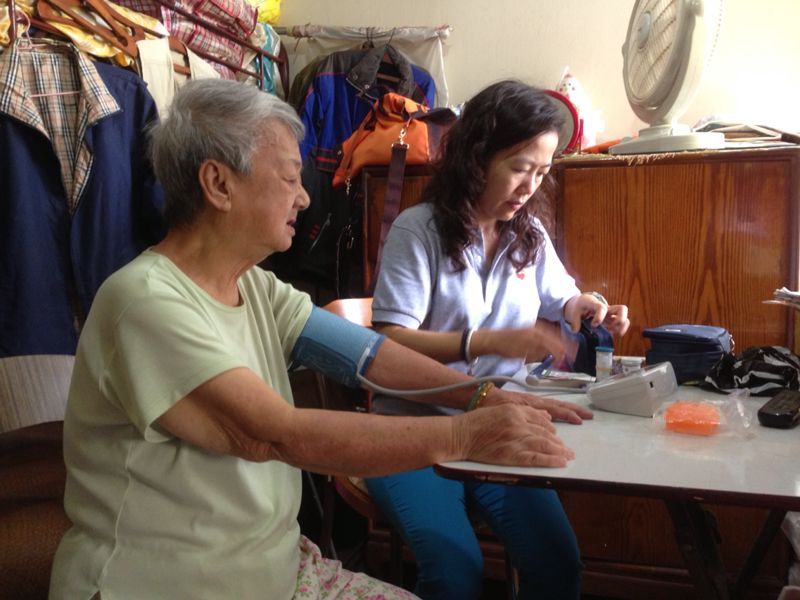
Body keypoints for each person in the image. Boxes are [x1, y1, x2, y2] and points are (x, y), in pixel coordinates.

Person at [47, 79, 582, 600]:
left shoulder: (254, 286)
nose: (305, 197)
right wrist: (465, 435)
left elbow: (369, 357)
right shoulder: (145, 302)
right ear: (219, 185)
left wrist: (484, 397)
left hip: (274, 569)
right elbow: (275, 436)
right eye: (289, 178)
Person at [367, 79, 631, 600]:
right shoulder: (419, 230)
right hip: (412, 424)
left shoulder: (527, 235)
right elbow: (390, 341)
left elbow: (563, 299)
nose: (530, 186)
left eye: (542, 172)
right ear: (476, 157)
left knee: (558, 564)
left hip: (497, 420)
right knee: (456, 571)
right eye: (519, 167)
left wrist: (588, 305)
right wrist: (487, 342)